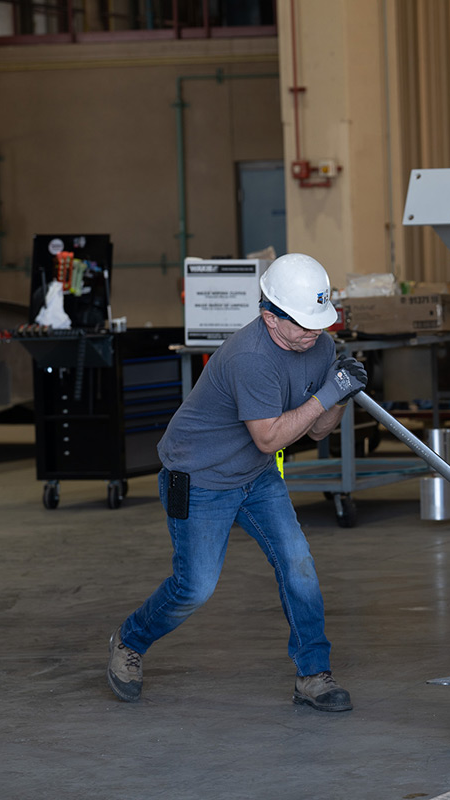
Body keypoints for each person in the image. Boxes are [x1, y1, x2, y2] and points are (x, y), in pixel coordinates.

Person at [107, 253, 368, 712]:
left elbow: (320, 429)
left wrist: (341, 394)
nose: (315, 332)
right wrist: (328, 392)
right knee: (195, 587)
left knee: (298, 566)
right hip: (199, 477)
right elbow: (269, 437)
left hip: (255, 476)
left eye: (319, 322)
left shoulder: (319, 345)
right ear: (270, 316)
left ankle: (313, 675)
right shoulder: (250, 357)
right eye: (304, 323)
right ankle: (129, 642)